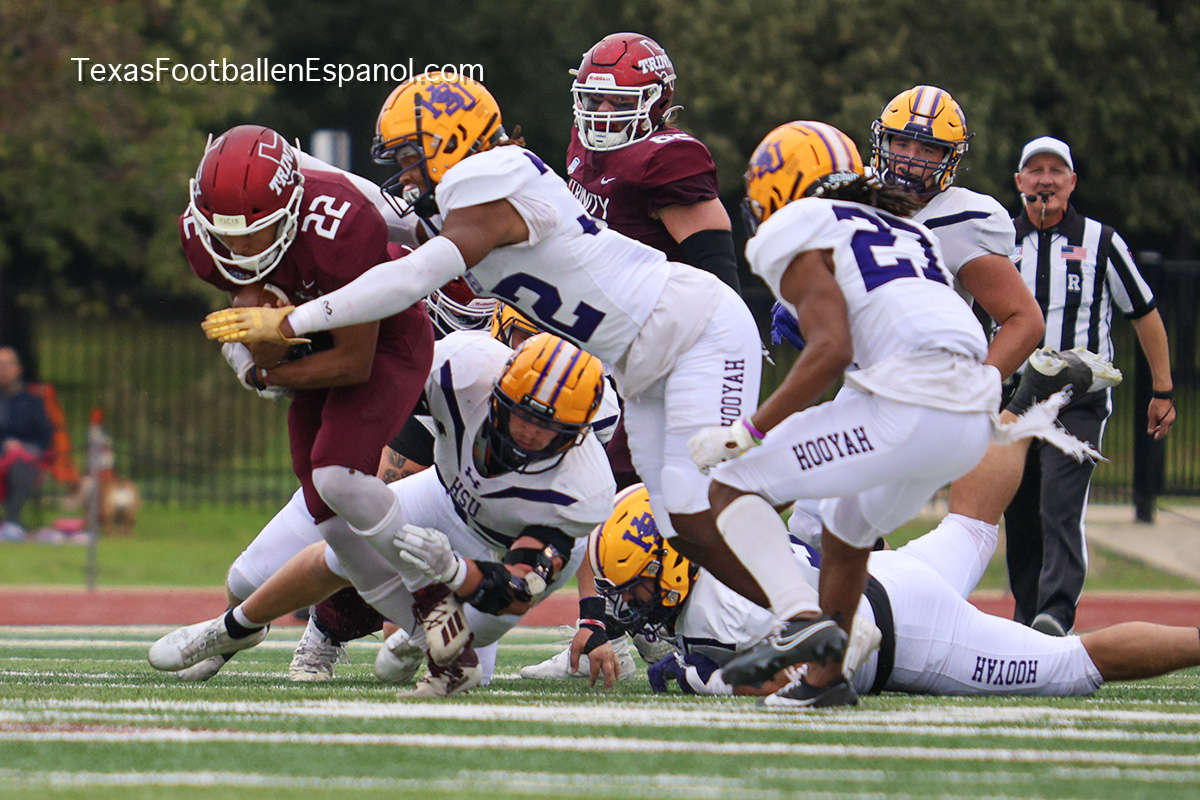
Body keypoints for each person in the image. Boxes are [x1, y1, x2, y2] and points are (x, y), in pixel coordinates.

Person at [199, 72, 771, 635]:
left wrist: (291, 320)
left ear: (450, 141)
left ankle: (797, 616)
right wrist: (294, 166)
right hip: (646, 362)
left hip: (698, 332)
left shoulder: (494, 181)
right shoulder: (476, 195)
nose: (403, 171)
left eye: (409, 156)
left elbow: (410, 276)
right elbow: (382, 208)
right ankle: (797, 617)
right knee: (681, 521)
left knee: (709, 504)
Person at [688, 121, 1102, 708]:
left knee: (730, 486)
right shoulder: (906, 229)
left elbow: (832, 350)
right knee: (846, 526)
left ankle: (801, 619)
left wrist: (751, 430)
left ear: (784, 189)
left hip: (905, 408)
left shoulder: (795, 228)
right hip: (967, 420)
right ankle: (824, 682)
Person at [149, 332, 617, 697]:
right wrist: (287, 374)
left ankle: (418, 638)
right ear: (498, 392)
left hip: (499, 549)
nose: (530, 434)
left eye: (550, 427)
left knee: (458, 670)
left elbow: (517, 590)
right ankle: (230, 630)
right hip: (442, 493)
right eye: (523, 415)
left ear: (579, 431)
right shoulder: (465, 368)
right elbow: (366, 395)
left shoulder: (581, 488)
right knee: (330, 551)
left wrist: (454, 571)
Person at [181, 124, 435, 677]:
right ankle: (427, 625)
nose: (240, 249)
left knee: (336, 476)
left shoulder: (343, 224)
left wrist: (265, 372)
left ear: (293, 206)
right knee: (325, 512)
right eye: (227, 237)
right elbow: (249, 303)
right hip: (313, 345)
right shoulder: (205, 237)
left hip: (385, 341)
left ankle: (437, 601)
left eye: (257, 233)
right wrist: (254, 353)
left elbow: (354, 363)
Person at [589, 490, 1200, 703]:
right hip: (887, 572)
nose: (631, 602)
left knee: (1073, 665)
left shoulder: (718, 609)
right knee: (971, 526)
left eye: (637, 584)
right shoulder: (723, 545)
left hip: (905, 632)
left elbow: (813, 660)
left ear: (673, 563)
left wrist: (705, 679)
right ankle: (1021, 401)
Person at [1004, 136, 1177, 637]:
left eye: (1056, 170)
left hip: (1078, 398)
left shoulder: (1102, 240)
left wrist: (1162, 390)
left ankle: (1054, 615)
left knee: (1059, 505)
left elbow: (1143, 311)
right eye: (1035, 170)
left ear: (1072, 181)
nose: (1046, 179)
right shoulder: (996, 239)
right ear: (1019, 181)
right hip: (1012, 399)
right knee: (1019, 511)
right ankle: (1026, 618)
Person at [0, 346, 53, 541]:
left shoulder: (32, 402)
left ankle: (12, 520)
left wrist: (21, 448)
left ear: (18, 369)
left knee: (21, 466)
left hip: (25, 458)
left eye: (7, 365)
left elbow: (44, 437)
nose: (3, 370)